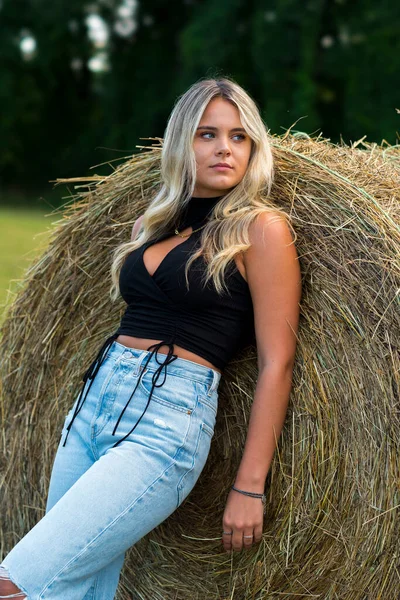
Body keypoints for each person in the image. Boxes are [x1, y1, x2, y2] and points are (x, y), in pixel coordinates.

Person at [0, 76, 301, 599]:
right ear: (182, 141)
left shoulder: (260, 229)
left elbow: (278, 362)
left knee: (18, 580)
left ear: (254, 147)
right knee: (70, 590)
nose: (224, 148)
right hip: (91, 410)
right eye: (207, 134)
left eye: (238, 136)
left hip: (165, 426)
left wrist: (249, 486)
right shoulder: (153, 224)